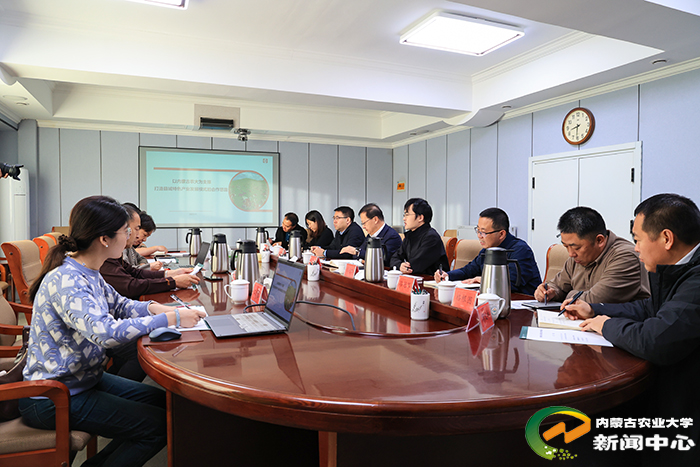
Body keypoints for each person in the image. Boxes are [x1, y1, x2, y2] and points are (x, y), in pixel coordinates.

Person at [19, 195, 206, 467]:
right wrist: (172, 318)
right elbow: (105, 333)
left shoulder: (87, 270)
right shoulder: (67, 280)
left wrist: (157, 309)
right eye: (126, 231)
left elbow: (120, 304)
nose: (130, 237)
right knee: (157, 427)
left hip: (83, 379)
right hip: (53, 395)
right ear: (104, 239)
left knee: (168, 406)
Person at [564, 193, 700, 465]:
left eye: (638, 239)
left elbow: (656, 340)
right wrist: (595, 310)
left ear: (666, 238)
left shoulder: (695, 280)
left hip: (683, 409)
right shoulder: (675, 268)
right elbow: (650, 309)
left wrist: (607, 325)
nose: (635, 248)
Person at [534, 206, 649, 304]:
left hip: (622, 322)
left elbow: (594, 301)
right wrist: (549, 291)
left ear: (599, 240)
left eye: (577, 247)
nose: (571, 254)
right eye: (566, 246)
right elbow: (558, 285)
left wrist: (570, 294)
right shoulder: (577, 257)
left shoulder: (626, 257)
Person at [100, 204, 200, 300]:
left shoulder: (113, 255)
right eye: (135, 229)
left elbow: (135, 273)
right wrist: (173, 282)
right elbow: (130, 286)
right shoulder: (105, 257)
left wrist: (172, 273)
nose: (136, 236)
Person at [434, 208, 541, 294]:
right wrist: (447, 276)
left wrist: (484, 280)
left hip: (521, 305)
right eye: (478, 230)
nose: (479, 236)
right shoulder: (487, 250)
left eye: (483, 232)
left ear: (501, 234)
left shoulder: (521, 250)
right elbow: (468, 271)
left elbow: (511, 284)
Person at [390, 198, 449, 275]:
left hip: (431, 280)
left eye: (407, 215)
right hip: (416, 278)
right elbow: (394, 258)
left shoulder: (431, 237)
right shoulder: (410, 235)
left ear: (420, 218)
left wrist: (405, 267)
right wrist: (400, 265)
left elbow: (414, 266)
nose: (404, 219)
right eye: (404, 215)